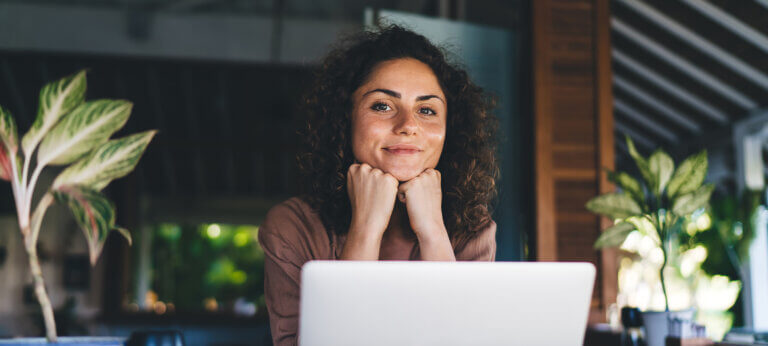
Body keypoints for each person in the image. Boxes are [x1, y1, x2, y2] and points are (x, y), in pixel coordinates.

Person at [257, 25, 500, 346]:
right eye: (382, 106)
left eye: (426, 110)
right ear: (346, 119)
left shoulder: (473, 228)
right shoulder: (293, 227)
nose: (408, 126)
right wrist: (366, 229)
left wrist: (432, 232)